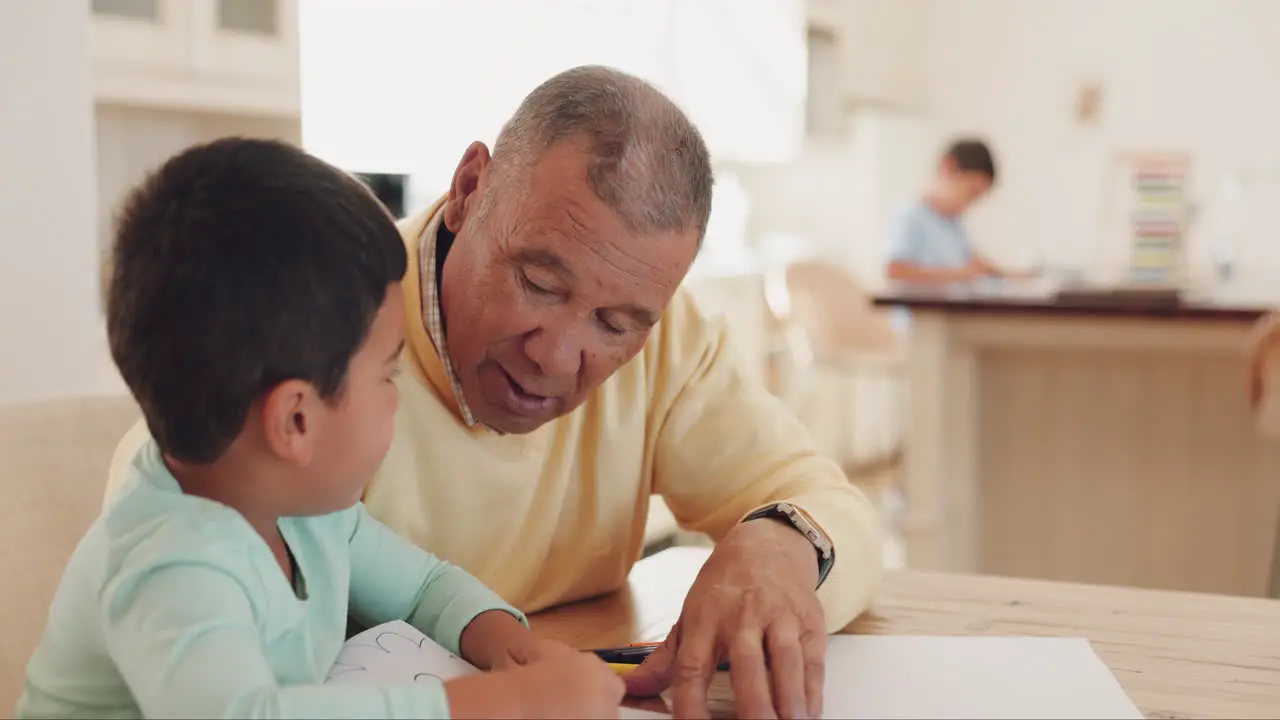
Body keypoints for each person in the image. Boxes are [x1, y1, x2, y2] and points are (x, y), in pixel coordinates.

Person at [106, 66, 884, 719]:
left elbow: (832, 506)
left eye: (618, 323)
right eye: (539, 282)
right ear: (470, 187)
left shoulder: (669, 337)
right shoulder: (323, 335)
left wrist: (779, 544)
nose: (557, 355)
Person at [22, 138, 624, 719]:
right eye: (387, 373)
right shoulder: (171, 563)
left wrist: (517, 655)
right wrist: (509, 706)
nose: (398, 398)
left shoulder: (302, 509)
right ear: (296, 421)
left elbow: (423, 590)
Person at [885, 138, 1015, 283]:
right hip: (923, 306)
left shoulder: (953, 222)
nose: (970, 204)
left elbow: (973, 264)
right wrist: (959, 274)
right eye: (970, 193)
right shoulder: (910, 215)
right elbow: (895, 270)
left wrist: (1010, 274)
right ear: (949, 167)